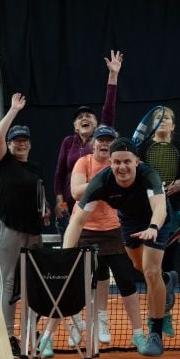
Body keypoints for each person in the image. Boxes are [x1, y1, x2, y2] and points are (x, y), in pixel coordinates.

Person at [62, 137, 175, 357]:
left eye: (127, 162)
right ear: (110, 163)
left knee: (151, 271)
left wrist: (153, 227)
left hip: (157, 219)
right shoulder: (101, 182)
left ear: (136, 162)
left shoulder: (148, 175)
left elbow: (160, 207)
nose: (122, 167)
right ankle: (167, 280)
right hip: (130, 221)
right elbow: (77, 221)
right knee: (139, 266)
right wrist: (66, 255)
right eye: (116, 162)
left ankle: (155, 334)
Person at [41, 126, 148, 356]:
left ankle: (138, 334)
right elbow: (77, 192)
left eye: (109, 140)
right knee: (68, 283)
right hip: (84, 230)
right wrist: (104, 182)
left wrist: (114, 176)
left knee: (127, 284)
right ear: (93, 143)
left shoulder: (120, 166)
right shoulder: (84, 163)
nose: (104, 143)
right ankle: (47, 337)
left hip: (114, 230)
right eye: (100, 139)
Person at [0, 94, 47, 358]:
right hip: (9, 229)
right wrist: (14, 111)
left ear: (30, 143)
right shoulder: (4, 162)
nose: (21, 143)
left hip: (34, 231)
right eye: (16, 139)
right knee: (9, 283)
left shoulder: (36, 168)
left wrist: (46, 208)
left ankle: (30, 333)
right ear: (9, 143)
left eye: (24, 139)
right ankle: (7, 338)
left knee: (33, 285)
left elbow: (37, 196)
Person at [54, 50, 123, 233]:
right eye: (80, 117)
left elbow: (109, 107)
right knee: (72, 252)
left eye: (89, 116)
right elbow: (60, 174)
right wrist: (60, 202)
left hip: (101, 205)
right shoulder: (68, 142)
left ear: (97, 124)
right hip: (71, 204)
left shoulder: (102, 138)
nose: (85, 118)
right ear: (75, 126)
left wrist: (113, 75)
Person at [138, 106, 180, 273]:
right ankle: (153, 295)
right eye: (158, 117)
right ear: (153, 124)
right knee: (150, 260)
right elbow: (137, 177)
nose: (162, 120)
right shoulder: (144, 147)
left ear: (173, 125)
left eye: (166, 117)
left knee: (168, 258)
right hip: (148, 210)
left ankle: (167, 294)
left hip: (174, 209)